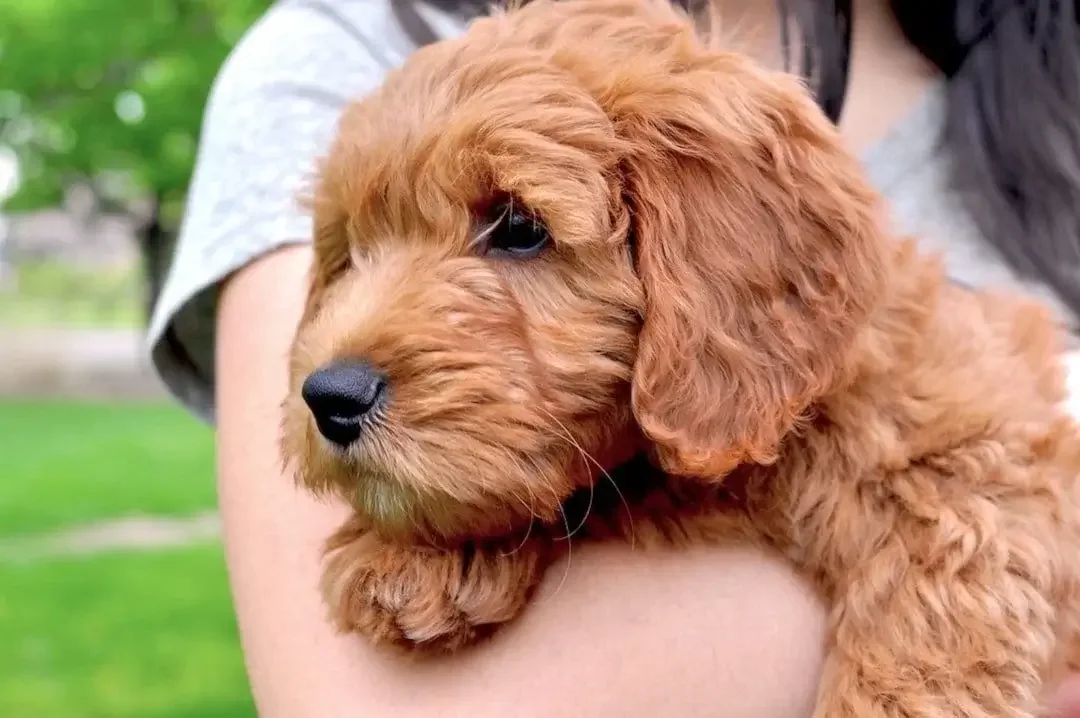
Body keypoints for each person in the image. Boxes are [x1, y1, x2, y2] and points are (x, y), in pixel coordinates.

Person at [147, 0, 1080, 715]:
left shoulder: (1039, 82)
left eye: (515, 233)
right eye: (356, 251)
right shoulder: (342, 48)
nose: (342, 343)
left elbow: (970, 521)